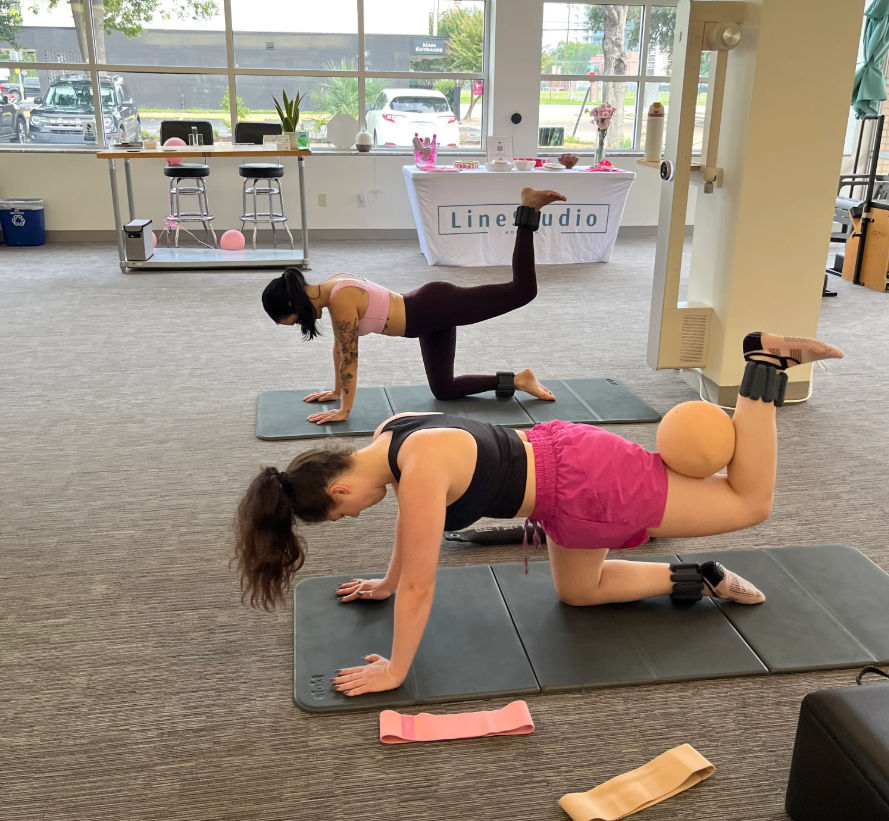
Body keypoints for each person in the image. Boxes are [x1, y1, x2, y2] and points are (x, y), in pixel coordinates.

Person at [234, 332, 844, 696]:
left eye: (344, 517)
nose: (358, 517)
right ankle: (699, 576)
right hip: (563, 479)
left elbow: (425, 583)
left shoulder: (419, 474)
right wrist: (384, 583)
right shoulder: (393, 434)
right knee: (579, 591)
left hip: (592, 483)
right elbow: (407, 543)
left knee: (748, 502)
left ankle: (762, 366)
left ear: (337, 492)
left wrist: (396, 670)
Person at [260, 188, 566, 424]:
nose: (301, 324)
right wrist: (335, 390)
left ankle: (528, 209)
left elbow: (350, 359)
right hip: (428, 319)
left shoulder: (339, 298)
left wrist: (344, 410)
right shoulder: (331, 287)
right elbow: (341, 348)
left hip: (435, 307)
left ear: (293, 303)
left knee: (522, 291)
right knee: (443, 390)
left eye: (294, 320)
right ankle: (519, 380)